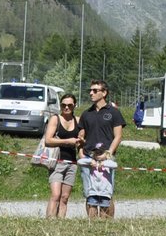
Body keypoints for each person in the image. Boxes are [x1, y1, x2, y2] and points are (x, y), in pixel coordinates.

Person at [77, 80, 124, 219]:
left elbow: (118, 136)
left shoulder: (114, 112)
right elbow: (81, 136)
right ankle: (91, 225)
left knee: (106, 193)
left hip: (106, 158)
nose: (91, 93)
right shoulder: (86, 113)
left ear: (104, 93)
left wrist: (108, 154)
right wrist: (81, 154)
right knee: (89, 193)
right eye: (90, 90)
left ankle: (107, 223)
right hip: (88, 157)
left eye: (95, 90)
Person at [42, 95, 81, 217]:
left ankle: (61, 223)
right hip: (57, 162)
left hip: (72, 163)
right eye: (63, 105)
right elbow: (48, 140)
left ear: (74, 105)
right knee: (56, 195)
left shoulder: (78, 121)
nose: (66, 107)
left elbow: (81, 140)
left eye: (69, 105)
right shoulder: (55, 119)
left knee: (64, 197)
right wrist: (67, 141)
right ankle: (50, 221)